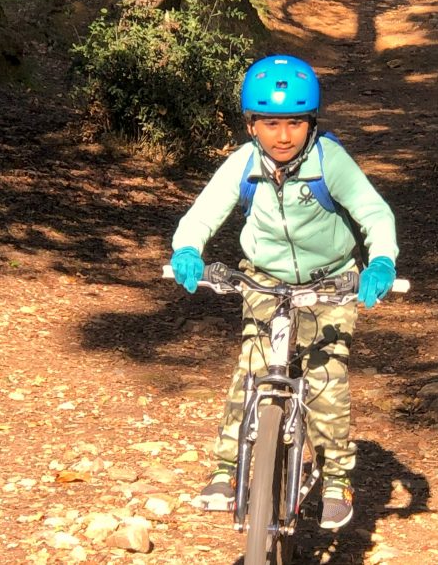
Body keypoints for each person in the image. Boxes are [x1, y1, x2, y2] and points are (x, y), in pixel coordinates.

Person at [170, 55, 400, 530]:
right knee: (251, 371)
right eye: (270, 123)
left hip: (331, 280)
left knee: (324, 378)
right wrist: (188, 250)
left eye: (295, 122)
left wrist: (381, 262)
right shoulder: (243, 164)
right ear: (251, 124)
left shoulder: (328, 160)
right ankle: (226, 471)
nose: (283, 135)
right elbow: (202, 214)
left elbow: (375, 214)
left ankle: (336, 478)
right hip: (264, 279)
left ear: (311, 122)